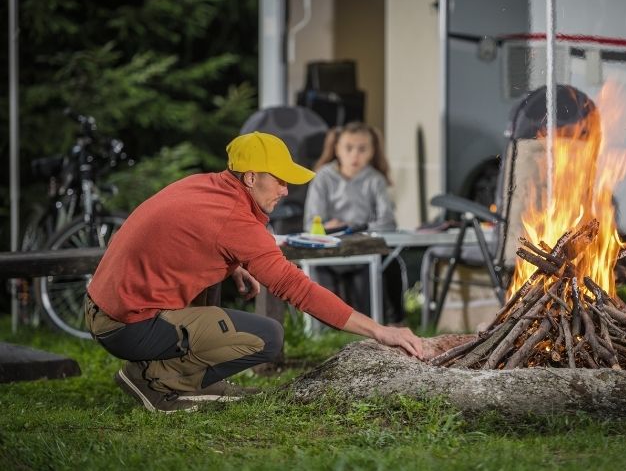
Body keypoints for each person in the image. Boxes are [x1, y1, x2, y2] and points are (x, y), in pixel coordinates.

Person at [85, 131, 423, 413]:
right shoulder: (235, 220)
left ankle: (167, 373)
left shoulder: (206, 186)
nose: (285, 190)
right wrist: (380, 331)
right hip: (127, 325)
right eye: (278, 180)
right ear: (250, 177)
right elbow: (298, 289)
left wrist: (233, 267)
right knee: (268, 337)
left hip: (104, 308)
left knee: (219, 293)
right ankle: (157, 381)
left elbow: (192, 239)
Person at [304, 121, 406, 324]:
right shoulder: (323, 178)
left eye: (362, 149)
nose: (355, 155)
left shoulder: (375, 180)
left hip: (364, 249)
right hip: (329, 250)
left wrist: (357, 229)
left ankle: (392, 321)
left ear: (372, 151)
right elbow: (311, 223)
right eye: (349, 148)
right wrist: (326, 228)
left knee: (390, 264)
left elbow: (387, 222)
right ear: (336, 149)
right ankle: (323, 328)